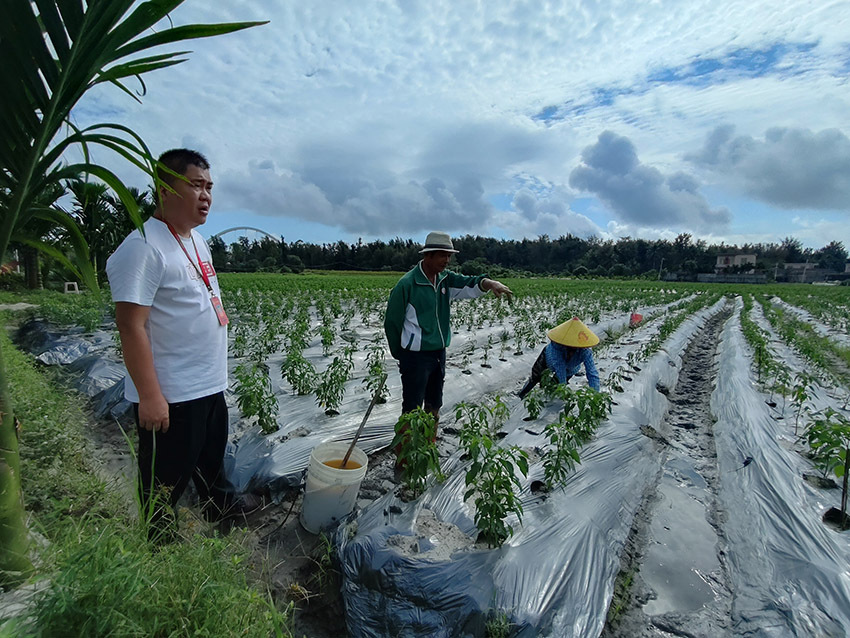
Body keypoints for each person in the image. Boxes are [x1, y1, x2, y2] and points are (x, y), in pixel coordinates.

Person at [107, 148, 232, 541]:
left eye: (209, 187)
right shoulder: (143, 246)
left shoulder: (195, 240)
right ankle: (159, 540)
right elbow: (131, 326)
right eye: (195, 185)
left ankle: (221, 511)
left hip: (207, 384)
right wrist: (150, 396)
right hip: (173, 392)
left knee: (211, 460)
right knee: (165, 476)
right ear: (164, 189)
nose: (206, 195)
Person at [384, 231, 513, 431]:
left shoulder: (445, 279)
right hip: (415, 356)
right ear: (428, 255)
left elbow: (469, 283)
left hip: (438, 353)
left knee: (434, 404)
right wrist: (401, 354)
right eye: (443, 255)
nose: (447, 260)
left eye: (449, 256)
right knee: (412, 408)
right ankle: (407, 458)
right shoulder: (407, 284)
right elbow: (392, 322)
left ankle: (429, 446)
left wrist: (490, 283)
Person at [517, 317, 600, 399]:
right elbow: (559, 367)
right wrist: (563, 388)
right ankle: (522, 394)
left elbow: (592, 372)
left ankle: (548, 398)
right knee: (536, 376)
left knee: (555, 386)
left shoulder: (585, 352)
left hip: (570, 368)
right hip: (547, 358)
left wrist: (595, 395)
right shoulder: (556, 346)